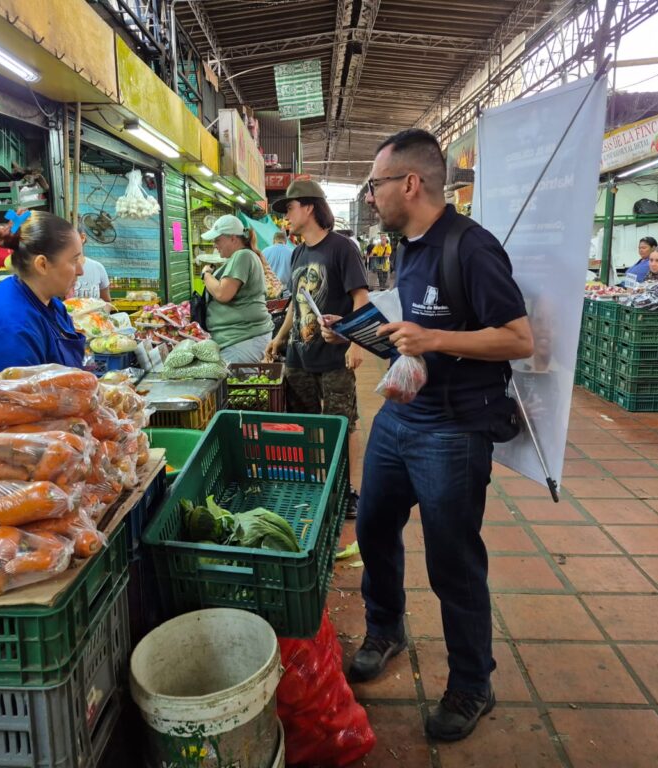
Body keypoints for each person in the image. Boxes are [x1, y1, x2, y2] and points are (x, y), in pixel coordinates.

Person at [333, 129, 532, 743]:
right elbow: (412, 319)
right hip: (402, 416)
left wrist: (435, 340)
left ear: (410, 184)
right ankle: (386, 628)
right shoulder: (409, 247)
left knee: (453, 558)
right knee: (372, 527)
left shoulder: (472, 248)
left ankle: (473, 683)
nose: (371, 197)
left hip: (453, 427)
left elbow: (518, 339)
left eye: (376, 185)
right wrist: (362, 330)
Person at [264, 180, 369, 517]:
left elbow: (360, 299)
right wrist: (279, 338)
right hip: (298, 356)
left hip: (334, 356)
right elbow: (296, 304)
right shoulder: (298, 252)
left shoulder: (342, 248)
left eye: (290, 209)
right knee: (305, 423)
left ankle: (349, 490)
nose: (286, 218)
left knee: (342, 423)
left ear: (308, 208)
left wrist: (354, 341)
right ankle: (316, 480)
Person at [0, 210, 86, 384]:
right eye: (74, 261)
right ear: (42, 264)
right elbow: (18, 405)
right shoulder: (10, 326)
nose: (81, 271)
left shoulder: (51, 304)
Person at [199, 214, 274, 364]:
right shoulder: (242, 256)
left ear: (233, 238)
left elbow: (222, 293)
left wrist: (206, 274)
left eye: (218, 240)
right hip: (239, 339)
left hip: (242, 340)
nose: (215, 244)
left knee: (237, 385)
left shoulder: (243, 256)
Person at [72, 231, 111, 302]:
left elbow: (107, 302)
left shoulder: (98, 268)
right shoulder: (57, 270)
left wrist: (101, 312)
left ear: (82, 237)